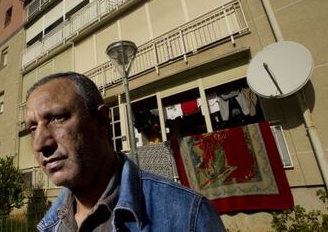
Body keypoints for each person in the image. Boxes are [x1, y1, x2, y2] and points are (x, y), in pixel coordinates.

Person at [25, 72, 225, 231]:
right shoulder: (50, 225)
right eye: (32, 128)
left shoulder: (188, 214)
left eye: (58, 118)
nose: (40, 143)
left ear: (102, 121)